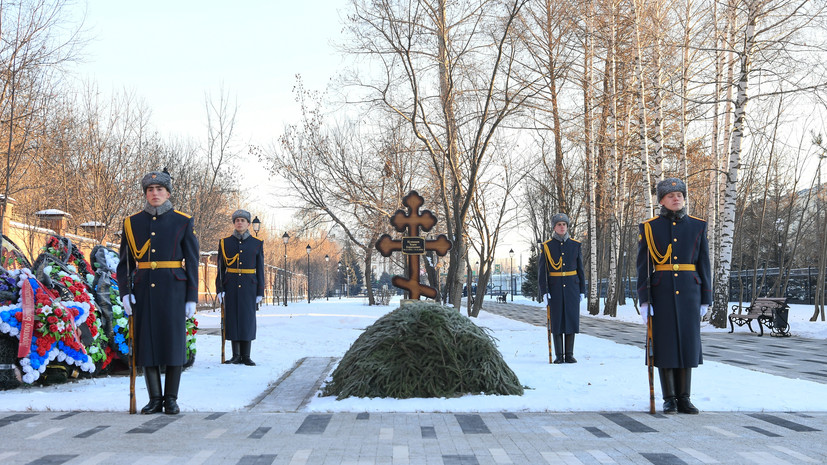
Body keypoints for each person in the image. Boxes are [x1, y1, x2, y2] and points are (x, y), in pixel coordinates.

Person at [117, 169, 200, 415]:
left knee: (173, 344)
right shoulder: (131, 223)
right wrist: (125, 292)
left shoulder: (182, 221)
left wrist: (191, 297)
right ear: (145, 193)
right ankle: (154, 398)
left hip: (174, 290)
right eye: (150, 190)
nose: (155, 193)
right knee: (147, 344)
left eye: (159, 189)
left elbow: (193, 262)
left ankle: (171, 398)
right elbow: (125, 263)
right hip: (143, 291)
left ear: (168, 193)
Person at [636, 178, 711, 415]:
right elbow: (643, 267)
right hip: (662, 292)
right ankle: (669, 398)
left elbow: (704, 263)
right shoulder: (649, 227)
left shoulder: (698, 226)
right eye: (671, 196)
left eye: (679, 194)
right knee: (666, 344)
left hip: (690, 292)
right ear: (661, 201)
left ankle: (684, 398)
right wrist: (645, 299)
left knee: (687, 344)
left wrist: (705, 297)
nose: (676, 198)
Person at [215, 209, 264, 366]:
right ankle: (235, 355)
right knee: (233, 318)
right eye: (237, 220)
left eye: (243, 220)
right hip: (231, 286)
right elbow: (220, 269)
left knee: (247, 319)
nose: (240, 223)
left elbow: (260, 269)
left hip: (250, 286)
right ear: (234, 223)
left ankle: (246, 355)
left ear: (248, 224)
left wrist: (260, 291)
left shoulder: (257, 244)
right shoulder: (224, 243)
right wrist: (220, 289)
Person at [538, 213, 586, 364]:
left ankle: (569, 354)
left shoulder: (575, 244)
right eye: (559, 224)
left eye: (564, 224)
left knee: (571, 319)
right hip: (555, 289)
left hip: (572, 287)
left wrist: (583, 290)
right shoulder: (547, 247)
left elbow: (580, 269)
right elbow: (542, 272)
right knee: (557, 321)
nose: (562, 227)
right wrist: (544, 292)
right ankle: (559, 356)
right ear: (554, 227)